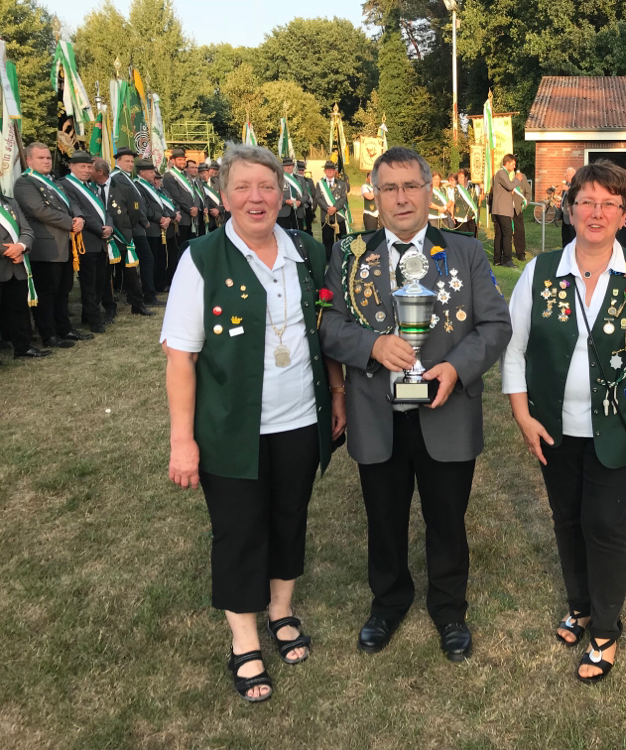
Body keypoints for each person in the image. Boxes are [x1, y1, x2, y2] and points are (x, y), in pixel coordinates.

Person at [161, 143, 345, 703]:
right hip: (229, 430)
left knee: (290, 517)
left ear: (283, 193)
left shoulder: (310, 251)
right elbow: (181, 359)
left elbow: (327, 331)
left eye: (265, 186)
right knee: (239, 531)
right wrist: (182, 439)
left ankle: (281, 611)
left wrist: (336, 394)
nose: (256, 198)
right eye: (242, 187)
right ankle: (244, 640)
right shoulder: (201, 258)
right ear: (224, 196)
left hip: (300, 419)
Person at [319, 145, 512, 663]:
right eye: (389, 188)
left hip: (445, 411)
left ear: (429, 191)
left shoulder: (466, 252)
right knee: (383, 517)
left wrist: (457, 367)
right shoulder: (352, 253)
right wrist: (372, 345)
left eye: (410, 186)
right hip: (376, 411)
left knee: (447, 517)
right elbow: (330, 325)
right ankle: (388, 603)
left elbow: (496, 325)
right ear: (375, 195)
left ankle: (449, 609)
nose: (401, 198)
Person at [503, 161, 626, 682]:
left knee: (605, 523)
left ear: (625, 215)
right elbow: (515, 349)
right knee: (566, 517)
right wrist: (522, 416)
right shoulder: (539, 271)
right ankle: (578, 605)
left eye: (609, 204)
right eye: (586, 202)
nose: (596, 213)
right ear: (569, 208)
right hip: (555, 424)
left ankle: (604, 628)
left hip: (619, 428)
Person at [14, 142, 91, 349]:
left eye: (48, 157)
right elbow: (39, 211)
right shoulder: (25, 183)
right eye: (41, 158)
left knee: (64, 289)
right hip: (46, 247)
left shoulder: (53, 181)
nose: (47, 161)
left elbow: (70, 202)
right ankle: (48, 334)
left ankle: (64, 328)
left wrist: (80, 217)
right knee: (47, 292)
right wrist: (70, 223)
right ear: (29, 160)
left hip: (64, 244)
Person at [93, 158, 151, 318]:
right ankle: (109, 307)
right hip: (102, 237)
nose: (86, 171)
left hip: (122, 235)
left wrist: (126, 227)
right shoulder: (91, 187)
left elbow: (134, 210)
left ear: (100, 171)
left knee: (131, 272)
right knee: (106, 273)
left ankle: (137, 304)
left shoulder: (122, 186)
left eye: (90, 168)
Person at [61, 151, 113, 333]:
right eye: (82, 167)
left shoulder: (91, 186)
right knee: (88, 283)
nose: (86, 170)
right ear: (72, 166)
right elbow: (77, 211)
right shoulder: (66, 185)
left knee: (100, 281)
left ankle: (89, 313)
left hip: (100, 240)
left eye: (89, 167)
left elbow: (104, 210)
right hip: (86, 241)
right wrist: (100, 229)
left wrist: (109, 226)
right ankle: (94, 319)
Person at [0, 187, 49, 358]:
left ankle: (23, 347)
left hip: (16, 265)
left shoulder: (10, 203)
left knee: (18, 308)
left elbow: (27, 230)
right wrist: (9, 250)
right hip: (7, 259)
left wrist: (21, 247)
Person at [134, 160, 174, 293]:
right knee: (151, 260)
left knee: (160, 258)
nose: (153, 175)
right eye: (151, 172)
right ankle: (150, 288)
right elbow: (144, 208)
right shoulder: (138, 186)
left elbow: (162, 204)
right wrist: (160, 218)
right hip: (150, 228)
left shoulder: (151, 186)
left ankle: (159, 284)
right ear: (142, 172)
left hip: (160, 228)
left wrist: (167, 217)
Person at [163, 148, 198, 251]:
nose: (182, 162)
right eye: (180, 160)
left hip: (192, 217)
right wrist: (190, 209)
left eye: (184, 160)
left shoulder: (187, 175)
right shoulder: (169, 176)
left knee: (191, 247)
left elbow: (194, 192)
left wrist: (196, 206)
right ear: (173, 160)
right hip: (182, 217)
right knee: (180, 247)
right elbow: (176, 196)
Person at [314, 160, 349, 259]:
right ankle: (329, 259)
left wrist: (335, 208)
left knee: (341, 239)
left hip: (339, 215)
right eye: (327, 170)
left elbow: (343, 198)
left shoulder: (341, 184)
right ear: (324, 171)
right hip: (326, 215)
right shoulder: (320, 184)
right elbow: (318, 198)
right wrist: (328, 208)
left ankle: (342, 258)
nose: (329, 171)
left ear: (334, 171)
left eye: (331, 170)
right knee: (327, 239)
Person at [153, 171, 182, 285]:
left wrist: (175, 214)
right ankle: (161, 281)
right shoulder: (153, 193)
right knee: (162, 257)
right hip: (161, 227)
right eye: (154, 179)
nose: (156, 181)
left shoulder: (164, 191)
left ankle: (171, 278)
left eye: (158, 179)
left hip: (172, 229)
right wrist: (172, 216)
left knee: (173, 255)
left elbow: (175, 204)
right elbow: (161, 208)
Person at [492, 154, 517, 267]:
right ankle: (507, 260)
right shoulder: (501, 173)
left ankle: (498, 259)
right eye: (513, 164)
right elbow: (509, 186)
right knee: (507, 234)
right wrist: (518, 180)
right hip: (503, 210)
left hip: (500, 209)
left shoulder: (502, 174)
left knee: (500, 234)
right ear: (507, 163)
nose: (514, 166)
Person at [454, 169, 478, 235]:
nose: (459, 179)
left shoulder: (474, 187)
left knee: (472, 237)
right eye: (459, 177)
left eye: (461, 177)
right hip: (460, 217)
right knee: (461, 238)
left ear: (466, 178)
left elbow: (481, 196)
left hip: (471, 217)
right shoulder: (455, 189)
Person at [512, 169, 529, 261]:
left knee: (520, 231)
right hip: (506, 208)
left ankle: (520, 253)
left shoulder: (523, 177)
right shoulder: (506, 177)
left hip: (517, 210)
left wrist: (524, 204)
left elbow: (528, 192)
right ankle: (505, 252)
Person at [296, 161, 314, 233]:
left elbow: (314, 195)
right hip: (298, 208)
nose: (301, 172)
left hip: (308, 208)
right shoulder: (294, 181)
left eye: (302, 170)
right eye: (299, 170)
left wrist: (313, 208)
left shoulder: (309, 181)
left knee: (309, 229)